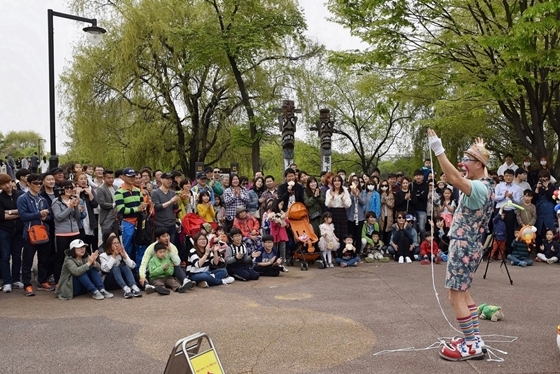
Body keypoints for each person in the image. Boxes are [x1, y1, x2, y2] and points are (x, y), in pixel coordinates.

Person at [428, 129, 495, 361]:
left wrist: (438, 148)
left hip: (464, 246)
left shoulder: (478, 188)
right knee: (464, 294)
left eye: (468, 159)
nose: (463, 162)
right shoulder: (486, 184)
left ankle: (470, 344)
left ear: (479, 164)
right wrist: (479, 148)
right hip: (471, 246)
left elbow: (455, 178)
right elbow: (465, 173)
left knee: (455, 297)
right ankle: (474, 339)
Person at [17, 173, 55, 296]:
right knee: (28, 260)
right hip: (30, 233)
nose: (38, 185)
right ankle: (27, 284)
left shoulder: (43, 199)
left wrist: (46, 218)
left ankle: (42, 280)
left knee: (43, 259)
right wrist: (39, 214)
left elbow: (50, 216)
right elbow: (23, 216)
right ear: (28, 183)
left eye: (40, 183)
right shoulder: (22, 198)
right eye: (35, 183)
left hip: (44, 232)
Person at [51, 180, 83, 284]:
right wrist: (70, 207)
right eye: (66, 188)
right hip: (62, 233)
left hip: (75, 231)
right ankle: (58, 282)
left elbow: (77, 217)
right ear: (61, 189)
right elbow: (59, 217)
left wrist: (77, 207)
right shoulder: (56, 201)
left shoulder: (74, 199)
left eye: (71, 187)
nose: (69, 190)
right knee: (61, 257)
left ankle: (74, 281)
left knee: (76, 256)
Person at [114, 167, 147, 260]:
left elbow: (141, 206)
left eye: (133, 176)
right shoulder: (119, 192)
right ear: (123, 177)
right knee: (128, 247)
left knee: (140, 245)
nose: (132, 179)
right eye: (130, 177)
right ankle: (128, 267)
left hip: (139, 222)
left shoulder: (137, 190)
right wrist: (138, 208)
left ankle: (138, 269)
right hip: (128, 222)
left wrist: (143, 206)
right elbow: (122, 210)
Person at [0, 173, 24, 293]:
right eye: (4, 184)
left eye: (9, 182)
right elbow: (1, 216)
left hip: (19, 231)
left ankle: (15, 279)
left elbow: (24, 212)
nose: (8, 185)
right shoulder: (0, 197)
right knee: (4, 256)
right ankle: (7, 281)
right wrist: (17, 213)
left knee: (17, 256)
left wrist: (8, 212)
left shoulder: (20, 195)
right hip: (4, 230)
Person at [99, 234, 142, 298]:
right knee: (115, 267)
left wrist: (125, 257)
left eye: (118, 243)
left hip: (120, 280)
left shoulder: (121, 252)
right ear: (109, 245)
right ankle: (126, 289)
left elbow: (133, 266)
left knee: (124, 266)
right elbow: (105, 269)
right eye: (114, 243)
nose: (117, 245)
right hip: (108, 281)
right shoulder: (103, 255)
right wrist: (114, 256)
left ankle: (134, 286)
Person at [325, 175, 352, 241]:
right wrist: (332, 197)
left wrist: (343, 199)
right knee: (333, 231)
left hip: (342, 212)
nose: (337, 182)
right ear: (332, 182)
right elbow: (327, 204)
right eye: (335, 181)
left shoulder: (345, 190)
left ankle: (342, 249)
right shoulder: (329, 191)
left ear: (341, 182)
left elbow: (348, 204)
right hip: (333, 212)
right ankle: (333, 249)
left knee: (343, 232)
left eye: (339, 181)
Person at [346, 175, 366, 250]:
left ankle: (357, 252)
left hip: (360, 217)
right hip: (350, 217)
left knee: (358, 235)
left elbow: (363, 202)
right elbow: (347, 204)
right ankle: (350, 251)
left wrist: (358, 195)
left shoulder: (362, 192)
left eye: (357, 180)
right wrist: (352, 194)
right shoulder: (347, 191)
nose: (355, 181)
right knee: (351, 235)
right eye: (353, 180)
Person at [96, 169, 118, 237]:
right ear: (104, 178)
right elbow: (102, 203)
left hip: (116, 217)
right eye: (109, 178)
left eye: (112, 178)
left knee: (116, 238)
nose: (111, 179)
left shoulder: (115, 187)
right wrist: (114, 205)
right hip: (106, 218)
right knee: (107, 239)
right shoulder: (101, 189)